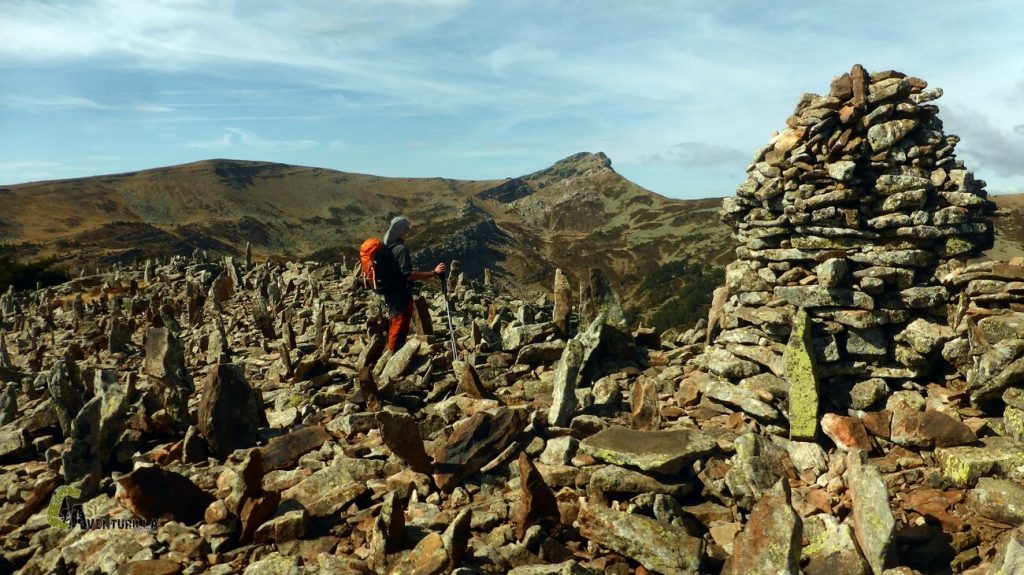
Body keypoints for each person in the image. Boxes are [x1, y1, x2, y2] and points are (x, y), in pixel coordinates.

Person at [381, 216, 446, 351]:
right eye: (406, 229)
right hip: (400, 296)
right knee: (399, 327)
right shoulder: (401, 249)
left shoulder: (388, 249)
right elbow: (408, 274)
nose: (407, 231)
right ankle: (394, 360)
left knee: (394, 325)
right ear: (400, 231)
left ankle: (393, 354)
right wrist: (433, 273)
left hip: (391, 295)